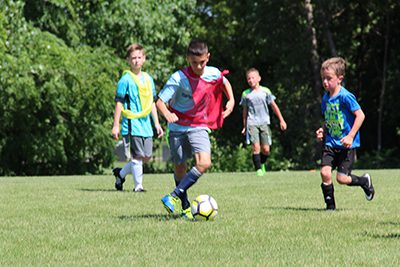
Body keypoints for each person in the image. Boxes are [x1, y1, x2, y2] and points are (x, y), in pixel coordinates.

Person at [156, 39, 235, 219]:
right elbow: (160, 102)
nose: (198, 67)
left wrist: (231, 100)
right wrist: (167, 115)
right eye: (194, 63)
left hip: (199, 125)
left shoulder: (213, 73)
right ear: (187, 59)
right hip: (176, 127)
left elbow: (224, 82)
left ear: (208, 57)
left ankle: (173, 196)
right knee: (179, 167)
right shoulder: (178, 78)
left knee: (204, 162)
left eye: (202, 62)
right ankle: (185, 208)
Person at [316, 57, 375, 210]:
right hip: (330, 143)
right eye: (323, 78)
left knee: (342, 178)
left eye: (329, 79)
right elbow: (328, 119)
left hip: (346, 146)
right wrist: (322, 130)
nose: (325, 82)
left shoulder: (346, 96)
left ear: (340, 78)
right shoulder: (325, 98)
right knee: (325, 173)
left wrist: (350, 136)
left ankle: (363, 182)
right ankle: (330, 207)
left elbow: (360, 115)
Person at [111, 44, 164, 192]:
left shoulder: (148, 79)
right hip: (131, 123)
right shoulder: (125, 80)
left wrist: (157, 124)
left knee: (146, 157)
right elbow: (119, 102)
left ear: (144, 59)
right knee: (137, 156)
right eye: (133, 58)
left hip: (145, 124)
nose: (136, 61)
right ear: (128, 60)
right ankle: (138, 187)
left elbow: (152, 102)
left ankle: (120, 174)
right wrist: (116, 125)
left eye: (139, 57)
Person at [240, 68, 287, 176]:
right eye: (248, 79)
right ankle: (258, 170)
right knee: (256, 147)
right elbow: (245, 111)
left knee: (266, 149)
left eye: (253, 78)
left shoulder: (265, 91)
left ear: (259, 78)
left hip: (264, 122)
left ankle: (262, 164)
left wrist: (282, 120)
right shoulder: (246, 94)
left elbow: (274, 106)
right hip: (252, 123)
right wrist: (244, 126)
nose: (250, 80)